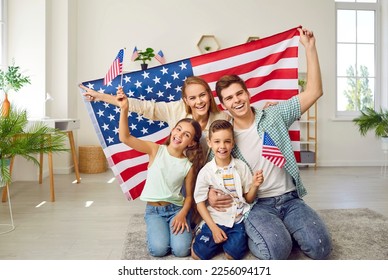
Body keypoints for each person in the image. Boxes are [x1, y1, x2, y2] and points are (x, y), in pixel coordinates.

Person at [208, 28, 332, 260]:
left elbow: (315, 91)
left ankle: (289, 229)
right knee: (277, 252)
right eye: (229, 98)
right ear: (224, 105)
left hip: (290, 198)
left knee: (320, 248)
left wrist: (310, 48)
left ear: (247, 94)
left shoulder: (274, 115)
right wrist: (211, 196)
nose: (236, 100)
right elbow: (211, 170)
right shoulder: (225, 135)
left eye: (239, 94)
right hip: (257, 205)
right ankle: (263, 232)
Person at [116, 90, 204, 258]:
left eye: (186, 135)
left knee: (181, 250)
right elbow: (125, 137)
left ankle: (187, 229)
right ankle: (158, 230)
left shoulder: (188, 165)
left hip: (176, 210)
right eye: (178, 130)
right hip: (154, 211)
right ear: (172, 130)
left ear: (191, 142)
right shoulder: (155, 150)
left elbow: (188, 198)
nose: (179, 135)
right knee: (159, 249)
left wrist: (182, 214)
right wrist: (124, 109)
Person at [79, 76, 230, 157]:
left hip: (208, 173)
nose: (199, 101)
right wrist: (99, 96)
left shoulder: (223, 118)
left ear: (209, 96)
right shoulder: (175, 109)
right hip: (179, 171)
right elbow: (142, 107)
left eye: (202, 95)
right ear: (186, 100)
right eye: (193, 98)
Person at [191, 120, 264, 260]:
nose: (222, 146)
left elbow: (248, 199)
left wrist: (254, 185)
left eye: (227, 141)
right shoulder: (206, 172)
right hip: (215, 220)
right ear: (209, 142)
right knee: (197, 255)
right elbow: (199, 202)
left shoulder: (241, 167)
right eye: (217, 141)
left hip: (236, 221)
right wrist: (213, 228)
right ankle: (204, 233)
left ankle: (224, 241)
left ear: (233, 143)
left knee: (233, 255)